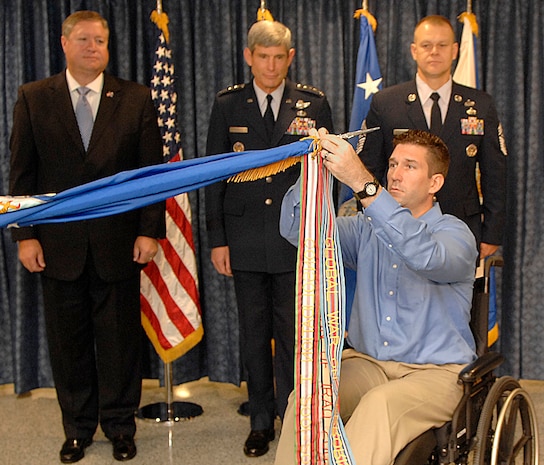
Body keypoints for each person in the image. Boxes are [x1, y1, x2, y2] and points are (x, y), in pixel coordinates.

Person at [9, 10, 165, 463]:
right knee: (68, 342)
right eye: (83, 39)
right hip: (56, 247)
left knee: (119, 344)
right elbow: (22, 174)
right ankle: (76, 428)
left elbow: (150, 176)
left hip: (120, 243)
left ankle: (120, 427)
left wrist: (149, 231)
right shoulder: (34, 97)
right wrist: (25, 235)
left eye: (100, 40)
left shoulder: (134, 98)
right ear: (64, 43)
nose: (92, 47)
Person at [274, 128, 478, 465]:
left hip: (436, 373)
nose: (395, 174)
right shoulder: (364, 229)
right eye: (393, 163)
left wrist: (365, 186)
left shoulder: (456, 235)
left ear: (435, 184)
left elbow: (424, 255)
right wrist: (311, 173)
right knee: (307, 397)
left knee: (379, 405)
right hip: (369, 363)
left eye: (410, 166)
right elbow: (299, 230)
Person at [205, 19, 334, 457]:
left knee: (294, 333)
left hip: (293, 238)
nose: (272, 65)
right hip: (241, 238)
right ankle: (260, 420)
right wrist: (217, 238)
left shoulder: (313, 104)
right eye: (264, 57)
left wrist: (318, 231)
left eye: (280, 57)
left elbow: (327, 174)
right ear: (249, 57)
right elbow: (214, 175)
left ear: (291, 58)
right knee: (253, 333)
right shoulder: (228, 105)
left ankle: (294, 417)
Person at [360, 15, 506, 259]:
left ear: (455, 50)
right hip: (397, 226)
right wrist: (372, 219)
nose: (434, 52)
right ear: (414, 51)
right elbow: (368, 168)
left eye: (442, 45)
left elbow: (496, 172)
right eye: (427, 45)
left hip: (461, 227)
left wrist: (492, 233)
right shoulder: (387, 103)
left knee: (457, 296)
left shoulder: (480, 105)